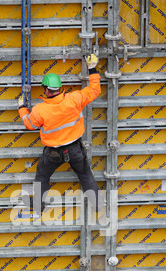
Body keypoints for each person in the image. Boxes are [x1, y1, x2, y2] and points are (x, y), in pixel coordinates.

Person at [18, 54, 103, 214]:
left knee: (42, 176)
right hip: (75, 149)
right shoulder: (74, 99)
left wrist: (22, 108)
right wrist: (92, 68)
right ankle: (98, 204)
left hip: (53, 153)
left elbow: (29, 124)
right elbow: (94, 89)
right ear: (59, 87)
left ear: (46, 90)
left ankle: (38, 204)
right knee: (85, 175)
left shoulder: (40, 110)